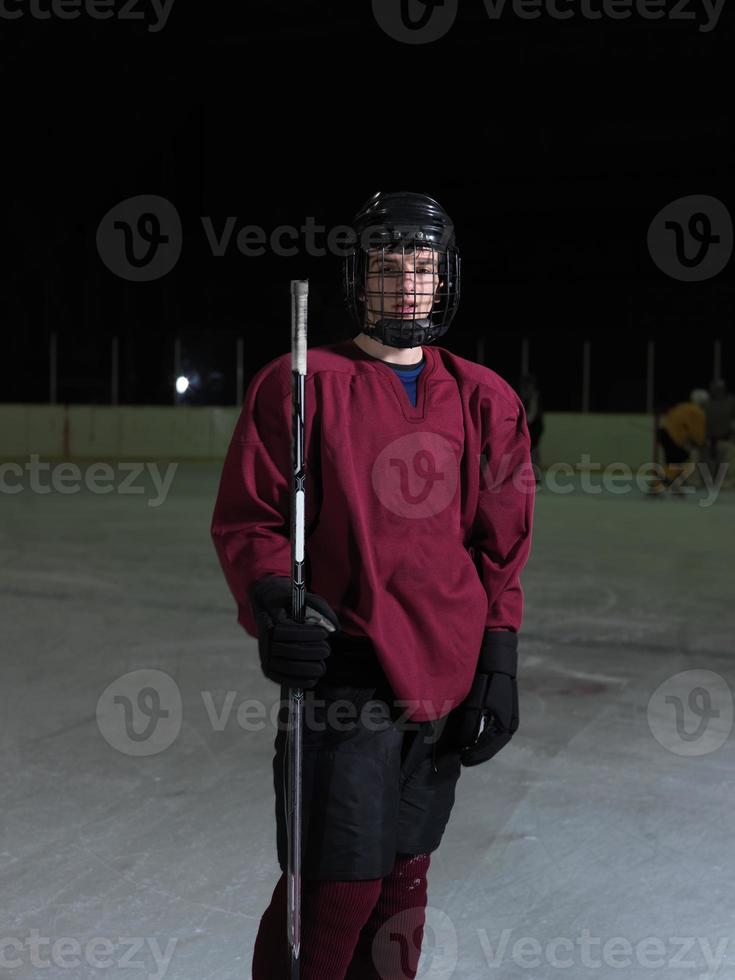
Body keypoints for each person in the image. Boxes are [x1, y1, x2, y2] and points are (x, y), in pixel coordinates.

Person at [211, 191, 535, 979]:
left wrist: (496, 658)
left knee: (403, 879)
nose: (407, 285)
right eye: (389, 269)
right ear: (360, 281)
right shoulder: (298, 383)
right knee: (335, 882)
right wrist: (269, 598)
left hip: (446, 678)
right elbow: (253, 521)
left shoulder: (484, 396)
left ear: (443, 278)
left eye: (421, 268)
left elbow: (501, 542)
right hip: (346, 675)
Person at [652, 388, 709, 493]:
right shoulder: (698, 413)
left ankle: (671, 485)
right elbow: (698, 433)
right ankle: (660, 485)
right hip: (673, 437)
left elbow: (672, 418)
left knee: (676, 461)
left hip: (664, 434)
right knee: (681, 461)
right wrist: (701, 443)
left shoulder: (683, 406)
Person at [519, 373, 543, 483]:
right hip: (533, 425)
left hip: (535, 426)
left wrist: (524, 420)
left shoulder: (534, 395)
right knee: (532, 450)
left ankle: (535, 474)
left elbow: (532, 415)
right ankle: (533, 473)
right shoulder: (528, 395)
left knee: (533, 449)